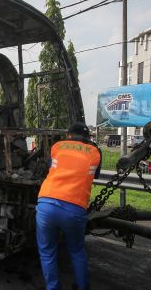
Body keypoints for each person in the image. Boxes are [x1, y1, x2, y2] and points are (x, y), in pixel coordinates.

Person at [36, 122, 102, 290]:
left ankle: (53, 287)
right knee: (77, 251)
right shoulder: (95, 152)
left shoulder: (57, 146)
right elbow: (96, 174)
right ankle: (82, 286)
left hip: (46, 203)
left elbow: (50, 167)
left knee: (47, 252)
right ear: (87, 137)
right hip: (74, 206)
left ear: (69, 135)